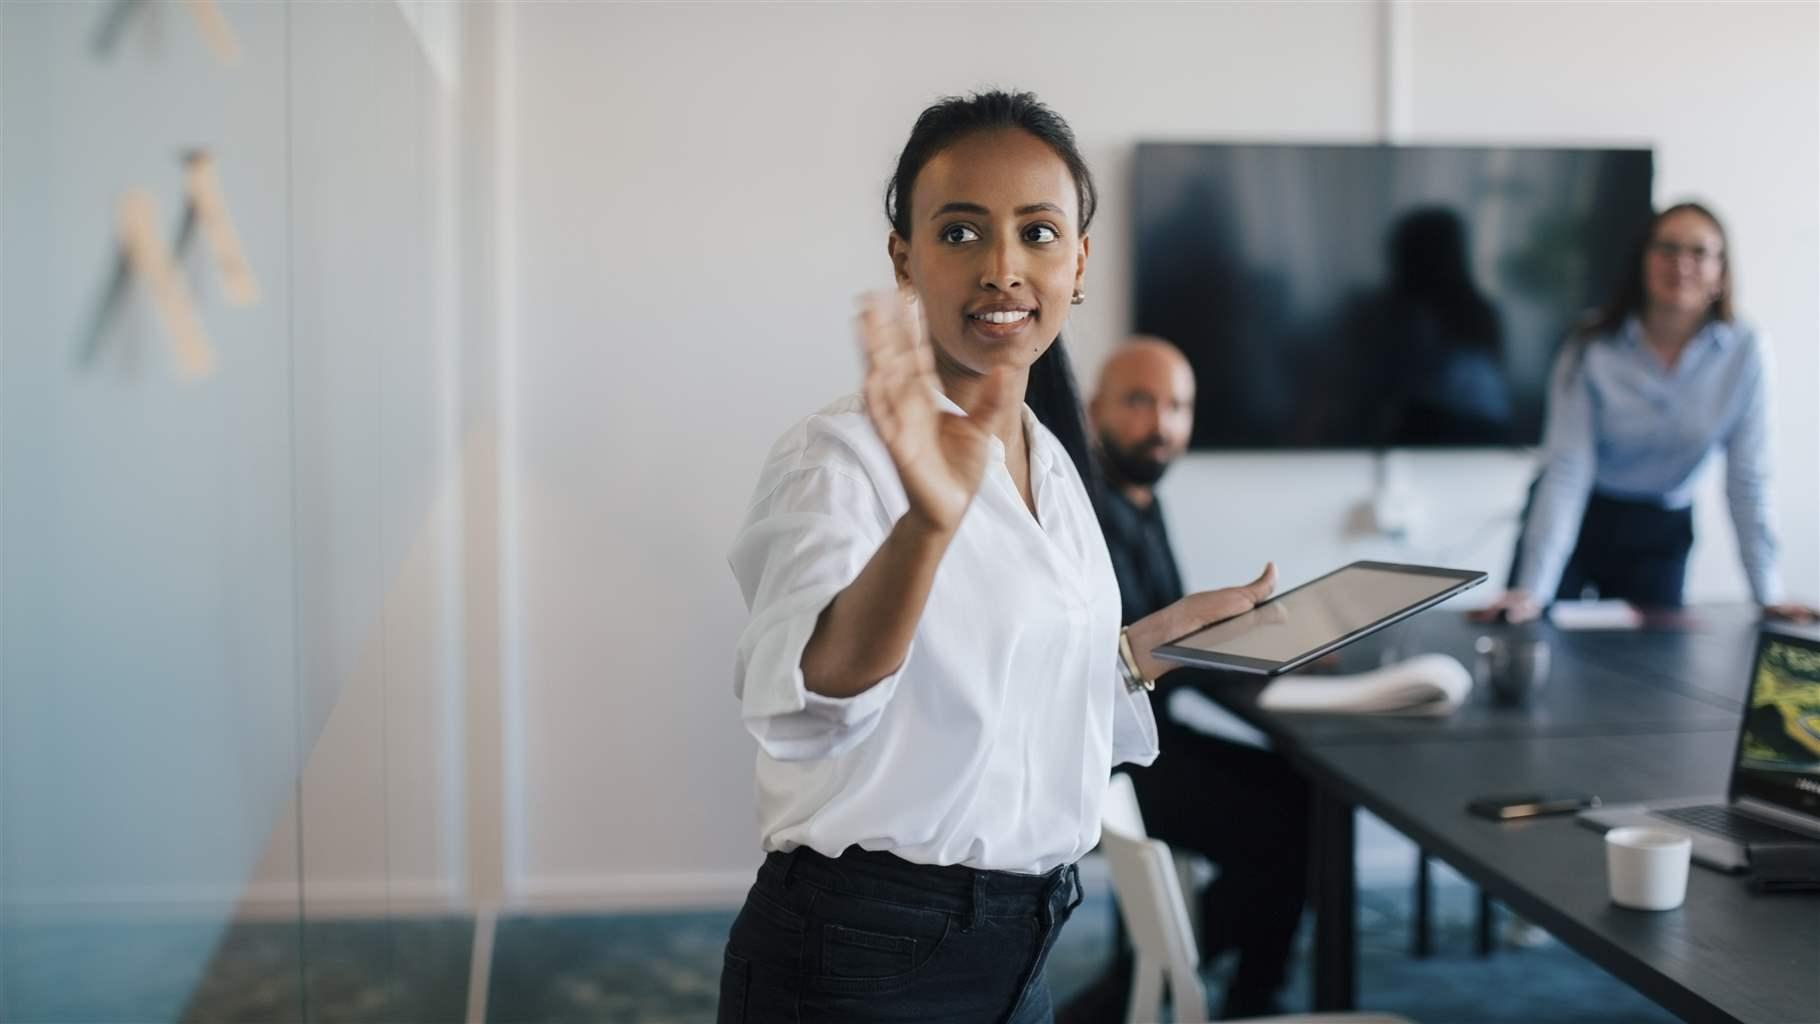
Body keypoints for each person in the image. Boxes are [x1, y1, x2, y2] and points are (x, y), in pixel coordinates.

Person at [719, 91, 1278, 1023]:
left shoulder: (1051, 458)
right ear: (905, 257)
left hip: (1020, 942)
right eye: (963, 233)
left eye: (1039, 232)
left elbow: (1007, 701)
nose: (1004, 269)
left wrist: (1150, 648)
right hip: (864, 957)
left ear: (1081, 261)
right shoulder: (838, 456)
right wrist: (926, 528)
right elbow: (814, 693)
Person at [1060, 339, 1312, 1022]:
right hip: (1116, 757)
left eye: (1177, 406)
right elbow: (1131, 655)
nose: (1160, 423)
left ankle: (1204, 983)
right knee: (1302, 825)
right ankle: (1168, 982)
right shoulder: (1087, 514)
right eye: (1139, 401)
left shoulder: (1141, 499)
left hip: (1157, 740)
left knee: (1299, 796)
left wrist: (1269, 647)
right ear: (1093, 411)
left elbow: (1172, 642)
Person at [1478, 202, 1817, 625]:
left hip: (1661, 529)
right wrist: (1532, 592)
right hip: (1581, 513)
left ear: (1721, 272)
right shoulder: (1590, 345)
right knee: (1529, 635)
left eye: (1699, 252)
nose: (1682, 264)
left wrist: (1769, 594)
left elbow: (1748, 479)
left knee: (1654, 668)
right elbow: (1567, 469)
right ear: (1644, 261)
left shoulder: (1746, 351)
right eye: (1667, 249)